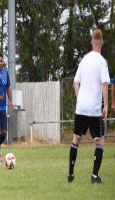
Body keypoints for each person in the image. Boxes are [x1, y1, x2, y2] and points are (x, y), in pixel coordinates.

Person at [68, 29, 110, 184]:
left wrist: (80, 99)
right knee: (100, 141)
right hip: (93, 108)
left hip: (81, 107)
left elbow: (75, 83)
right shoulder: (101, 61)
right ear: (102, 43)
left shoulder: (84, 59)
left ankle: (71, 173)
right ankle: (94, 176)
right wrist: (105, 105)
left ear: (92, 42)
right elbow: (105, 84)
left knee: (76, 139)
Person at [0, 53, 13, 162]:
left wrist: (11, 101)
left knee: (5, 133)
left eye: (1, 61)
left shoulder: (6, 73)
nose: (0, 63)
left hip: (3, 108)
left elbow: (8, 88)